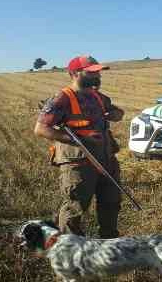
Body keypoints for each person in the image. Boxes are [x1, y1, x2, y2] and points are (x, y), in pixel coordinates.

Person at [34, 55, 125, 238]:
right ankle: (70, 249)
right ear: (75, 73)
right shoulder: (62, 98)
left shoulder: (98, 97)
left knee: (111, 203)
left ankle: (109, 246)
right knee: (75, 208)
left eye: (98, 71)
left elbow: (118, 112)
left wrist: (115, 114)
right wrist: (77, 140)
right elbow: (41, 129)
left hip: (106, 159)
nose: (97, 75)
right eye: (91, 72)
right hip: (79, 164)